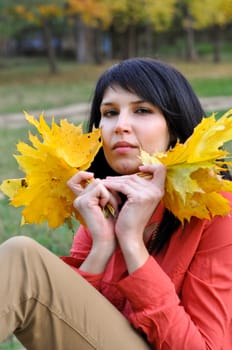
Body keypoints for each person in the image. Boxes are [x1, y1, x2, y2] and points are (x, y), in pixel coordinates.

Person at [0, 58, 232, 350]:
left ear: (174, 128)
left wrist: (132, 243)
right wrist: (102, 244)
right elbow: (70, 323)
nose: (120, 126)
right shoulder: (104, 202)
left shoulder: (218, 211)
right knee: (23, 257)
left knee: (22, 259)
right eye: (110, 113)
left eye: (142, 110)